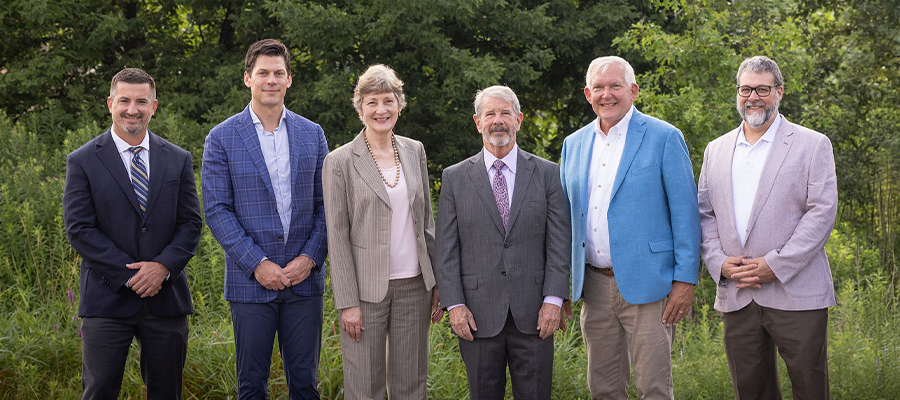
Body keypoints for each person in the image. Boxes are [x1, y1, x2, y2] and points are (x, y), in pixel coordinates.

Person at [559, 56, 701, 399]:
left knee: (653, 387)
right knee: (603, 388)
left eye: (615, 86)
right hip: (592, 285)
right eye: (599, 88)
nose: (607, 95)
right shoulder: (573, 145)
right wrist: (560, 284)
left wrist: (684, 281)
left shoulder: (664, 137)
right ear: (587, 94)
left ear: (633, 91)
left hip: (649, 284)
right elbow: (565, 219)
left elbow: (686, 214)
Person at [698, 55, 837, 399]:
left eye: (762, 89)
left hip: (797, 292)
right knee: (752, 391)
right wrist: (718, 263)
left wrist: (775, 265)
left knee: (810, 388)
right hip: (738, 292)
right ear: (737, 92)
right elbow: (704, 214)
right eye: (746, 89)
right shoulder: (716, 150)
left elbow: (822, 212)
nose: (753, 97)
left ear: (779, 92)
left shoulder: (812, 144)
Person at [63, 67, 202, 399]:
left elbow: (190, 224)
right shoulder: (82, 161)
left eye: (141, 101)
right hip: (106, 299)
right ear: (110, 103)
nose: (132, 109)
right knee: (99, 390)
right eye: (124, 100)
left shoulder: (178, 159)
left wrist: (162, 268)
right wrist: (130, 275)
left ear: (154, 106)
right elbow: (80, 228)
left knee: (167, 391)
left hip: (165, 298)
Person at [202, 39, 329, 399]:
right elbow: (216, 210)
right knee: (251, 385)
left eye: (278, 73)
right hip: (251, 283)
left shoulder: (313, 134)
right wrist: (257, 264)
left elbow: (328, 206)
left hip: (304, 282)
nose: (270, 80)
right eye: (263, 73)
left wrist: (310, 258)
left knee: (305, 385)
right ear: (248, 79)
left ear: (289, 79)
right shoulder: (222, 138)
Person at [435, 85, 571, 400]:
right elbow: (446, 250)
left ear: (519, 120)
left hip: (536, 314)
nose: (498, 120)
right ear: (477, 122)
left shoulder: (548, 174)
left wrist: (554, 300)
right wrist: (454, 305)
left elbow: (559, 243)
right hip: (477, 316)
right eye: (490, 114)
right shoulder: (455, 178)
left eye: (505, 113)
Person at [322, 64, 443, 400]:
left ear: (399, 105)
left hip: (414, 286)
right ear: (359, 108)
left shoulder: (414, 150)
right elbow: (337, 234)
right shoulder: (340, 161)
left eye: (388, 100)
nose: (381, 110)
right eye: (372, 102)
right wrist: (347, 302)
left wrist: (436, 283)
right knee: (365, 387)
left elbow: (426, 222)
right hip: (364, 293)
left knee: (411, 384)